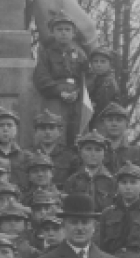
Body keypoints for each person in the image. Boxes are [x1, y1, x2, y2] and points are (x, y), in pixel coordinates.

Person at [33, 11, 89, 147]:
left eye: (67, 29)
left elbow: (89, 77)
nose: (63, 33)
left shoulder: (81, 54)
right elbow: (41, 77)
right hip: (55, 98)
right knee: (54, 131)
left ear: (73, 33)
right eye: (59, 29)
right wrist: (59, 92)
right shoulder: (46, 53)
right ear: (52, 32)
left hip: (77, 99)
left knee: (77, 132)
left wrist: (78, 92)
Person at [98, 102, 140, 206]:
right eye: (110, 120)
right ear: (103, 123)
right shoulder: (96, 150)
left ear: (126, 124)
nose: (114, 124)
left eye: (119, 120)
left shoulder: (137, 152)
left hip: (131, 207)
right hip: (102, 207)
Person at [65, 130, 115, 214]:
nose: (93, 154)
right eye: (88, 149)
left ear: (104, 153)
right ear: (80, 152)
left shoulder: (112, 181)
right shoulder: (72, 180)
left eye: (98, 150)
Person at [0, 109, 28, 191]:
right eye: (1, 125)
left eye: (9, 125)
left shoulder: (26, 157)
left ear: (16, 129)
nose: (5, 129)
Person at [31, 110, 77, 189]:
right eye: (43, 128)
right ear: (36, 132)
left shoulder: (70, 156)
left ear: (60, 132)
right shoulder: (28, 155)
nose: (47, 132)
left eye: (51, 128)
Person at [85, 46, 120, 121]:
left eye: (103, 61)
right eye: (95, 61)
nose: (98, 65)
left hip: (103, 121)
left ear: (110, 64)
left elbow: (101, 107)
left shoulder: (108, 83)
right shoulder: (94, 80)